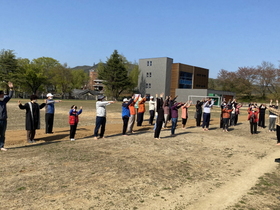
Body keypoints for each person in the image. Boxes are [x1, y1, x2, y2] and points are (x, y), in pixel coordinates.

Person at [0, 82, 14, 151]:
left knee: (2, 133)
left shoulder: (4, 101)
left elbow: (9, 96)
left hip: (3, 119)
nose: (2, 96)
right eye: (1, 95)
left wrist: (11, 88)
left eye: (3, 95)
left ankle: (1, 146)